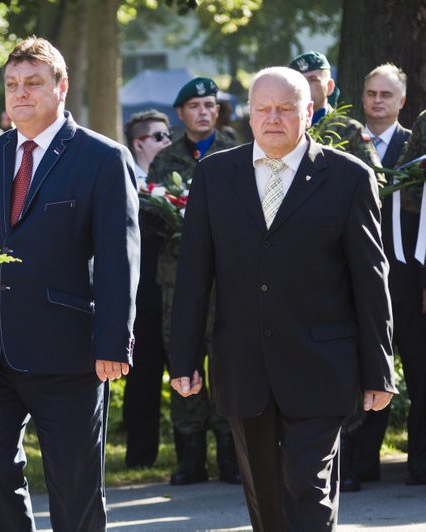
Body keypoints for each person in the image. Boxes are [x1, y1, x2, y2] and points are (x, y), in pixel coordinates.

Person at [169, 66, 396, 530]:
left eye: (286, 108)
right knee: (266, 504)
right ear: (249, 116)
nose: (273, 118)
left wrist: (379, 368)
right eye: (263, 109)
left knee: (307, 491)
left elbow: (371, 280)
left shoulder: (348, 177)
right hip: (243, 365)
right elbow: (194, 273)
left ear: (308, 112)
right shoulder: (214, 174)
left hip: (321, 365)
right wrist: (184, 358)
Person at [0, 37, 140, 530]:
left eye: (34, 83)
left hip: (70, 355)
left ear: (61, 87)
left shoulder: (102, 158)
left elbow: (117, 260)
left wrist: (113, 341)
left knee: (75, 486)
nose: (21, 94)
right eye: (13, 84)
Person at [148, 78, 241, 486]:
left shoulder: (237, 153)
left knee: (227, 363)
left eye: (210, 105)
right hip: (177, 279)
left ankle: (232, 456)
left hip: (228, 281)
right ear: (180, 113)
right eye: (195, 106)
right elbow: (149, 213)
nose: (204, 112)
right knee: (182, 361)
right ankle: (190, 459)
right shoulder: (164, 160)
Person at [358, 64, 426, 487]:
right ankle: (362, 464)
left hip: (408, 283)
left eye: (386, 94)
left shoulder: (415, 145)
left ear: (402, 101)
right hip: (362, 283)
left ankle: (419, 463)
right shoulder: (344, 142)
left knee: (421, 375)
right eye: (371, 93)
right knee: (366, 376)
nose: (377, 101)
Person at [122, 110, 171, 469]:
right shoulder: (124, 180)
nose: (167, 142)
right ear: (139, 143)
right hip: (141, 296)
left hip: (174, 291)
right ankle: (141, 456)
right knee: (142, 378)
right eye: (159, 136)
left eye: (169, 135)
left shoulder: (176, 180)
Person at [289, 51, 382, 174]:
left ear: (330, 87)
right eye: (300, 80)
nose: (305, 86)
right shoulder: (281, 127)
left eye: (313, 80)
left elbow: (376, 180)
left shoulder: (350, 130)